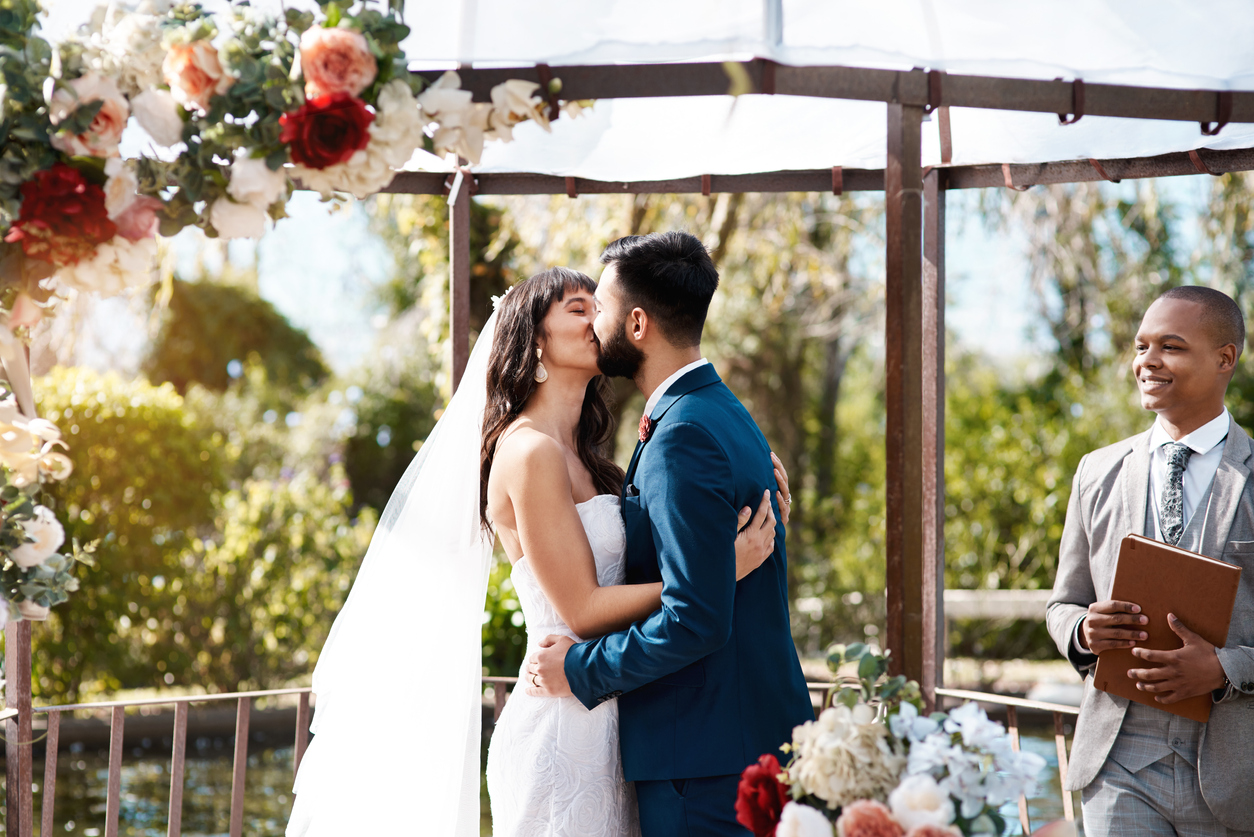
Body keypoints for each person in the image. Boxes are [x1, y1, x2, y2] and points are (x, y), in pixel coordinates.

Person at [286, 266, 790, 837]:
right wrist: (722, 570)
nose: (599, 319)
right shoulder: (529, 452)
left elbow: (667, 536)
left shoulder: (597, 462)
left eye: (596, 306)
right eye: (580, 309)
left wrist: (749, 484)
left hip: (615, 712)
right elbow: (583, 608)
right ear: (535, 342)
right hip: (562, 716)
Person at [527, 233, 814, 837]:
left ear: (636, 323)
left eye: (598, 308)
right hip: (737, 745)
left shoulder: (682, 435)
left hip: (705, 763)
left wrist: (581, 670)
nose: (591, 323)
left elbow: (696, 618)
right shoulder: (724, 413)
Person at [1047, 285, 1254, 837]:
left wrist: (1225, 668)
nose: (1147, 361)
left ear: (1224, 358)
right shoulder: (1096, 470)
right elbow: (1063, 603)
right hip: (1118, 763)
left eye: (1171, 346)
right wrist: (1084, 631)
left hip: (1237, 776)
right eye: (1141, 346)